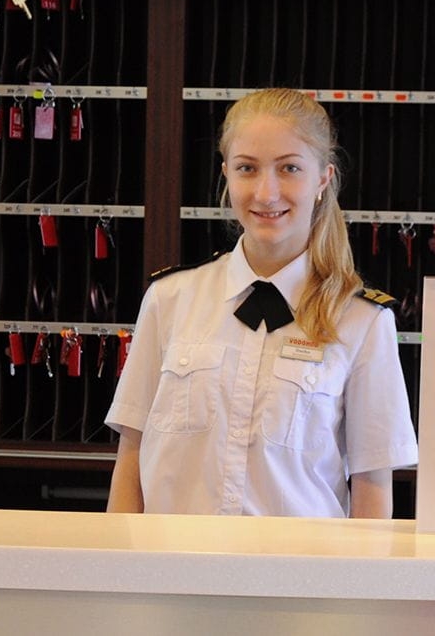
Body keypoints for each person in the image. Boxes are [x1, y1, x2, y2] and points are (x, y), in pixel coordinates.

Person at [104, 88, 418, 518]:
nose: (266, 193)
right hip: (172, 558)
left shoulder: (362, 320)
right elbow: (130, 459)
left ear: (323, 178)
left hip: (300, 562)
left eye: (289, 168)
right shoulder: (170, 299)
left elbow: (372, 489)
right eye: (247, 169)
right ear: (226, 175)